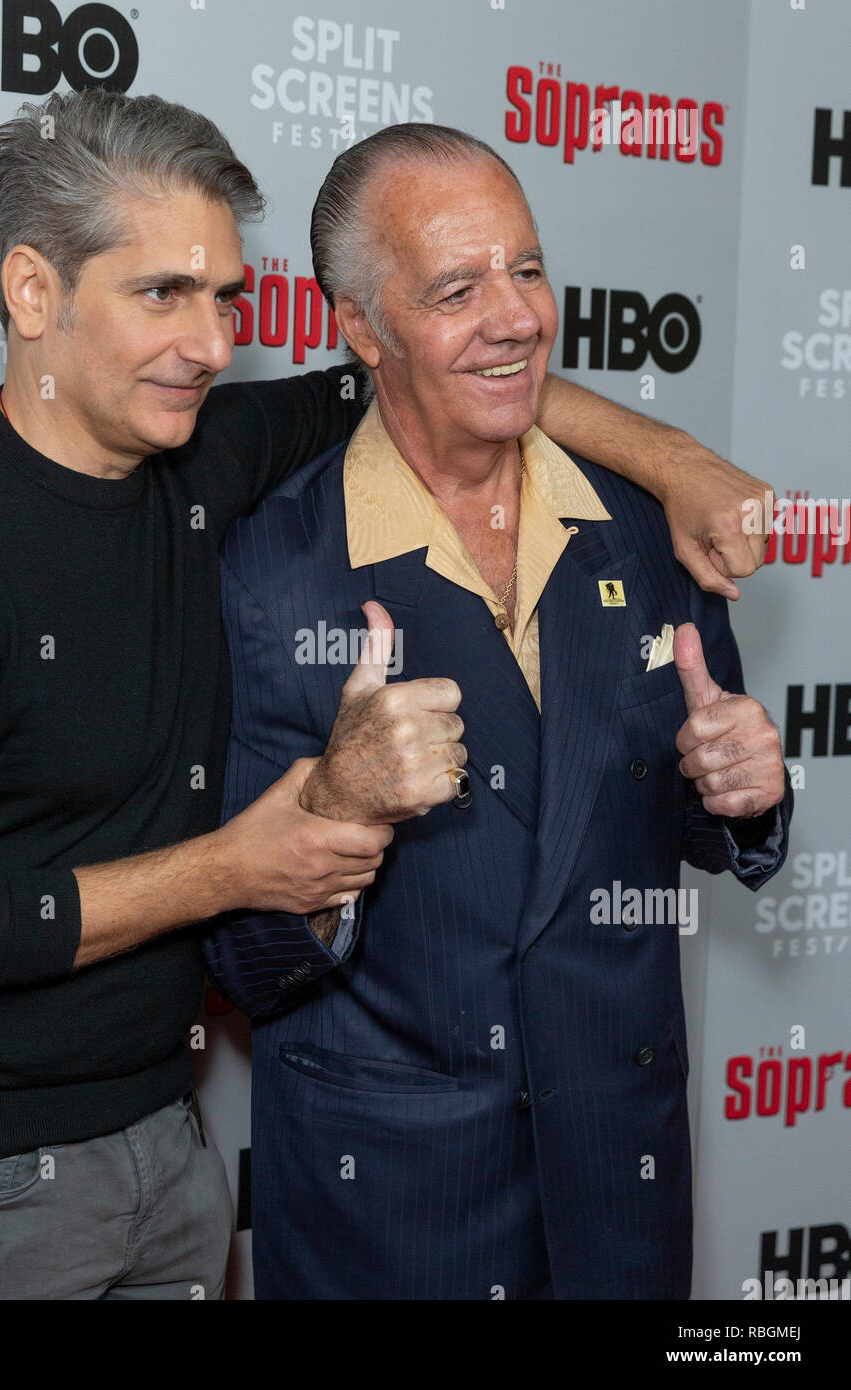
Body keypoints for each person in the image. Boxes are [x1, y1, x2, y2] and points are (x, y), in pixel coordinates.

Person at [0, 90, 773, 1301]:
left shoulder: (205, 450)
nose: (215, 344)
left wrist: (676, 459)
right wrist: (242, 861)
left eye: (225, 297)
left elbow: (452, 367)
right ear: (33, 293)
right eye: (161, 294)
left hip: (168, 1164)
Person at [202, 123, 793, 1300]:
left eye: (526, 269)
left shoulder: (640, 521)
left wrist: (743, 791)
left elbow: (672, 812)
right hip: (396, 1209)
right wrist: (334, 804)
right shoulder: (272, 566)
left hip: (617, 1182)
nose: (515, 316)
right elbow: (243, 953)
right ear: (361, 327)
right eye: (457, 288)